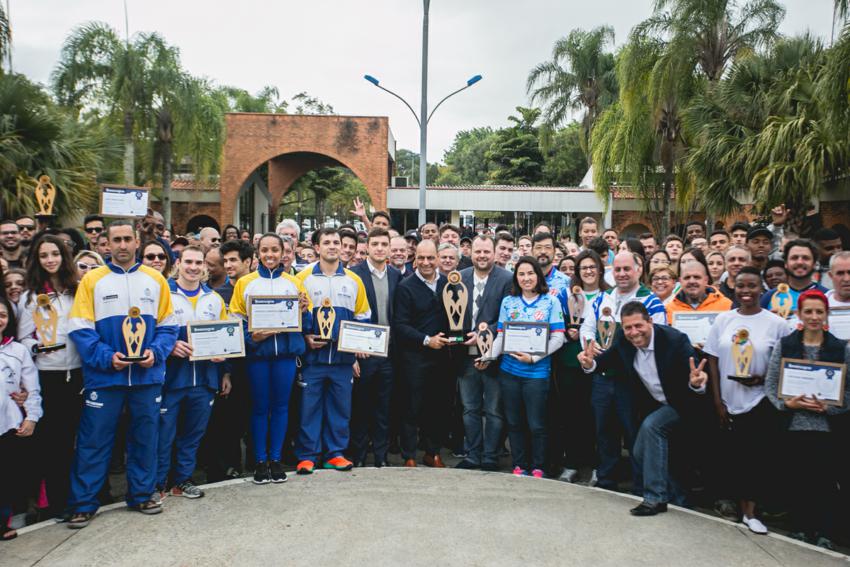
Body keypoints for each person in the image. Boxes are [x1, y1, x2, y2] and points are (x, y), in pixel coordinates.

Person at [66, 220, 178, 528]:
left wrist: (155, 353)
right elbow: (80, 328)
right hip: (105, 377)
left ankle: (142, 493)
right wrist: (106, 358)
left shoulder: (156, 280)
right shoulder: (93, 281)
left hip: (146, 377)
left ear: (137, 242)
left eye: (128, 239)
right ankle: (84, 503)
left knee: (145, 438)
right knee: (94, 441)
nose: (123, 245)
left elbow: (170, 326)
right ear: (107, 244)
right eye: (117, 239)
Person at [577, 301, 709, 516]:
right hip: (654, 405)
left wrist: (697, 383)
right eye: (628, 327)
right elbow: (602, 362)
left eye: (638, 325)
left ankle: (654, 499)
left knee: (651, 428)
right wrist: (588, 363)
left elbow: (697, 377)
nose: (633, 332)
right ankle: (680, 498)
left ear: (650, 322)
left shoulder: (674, 340)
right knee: (639, 452)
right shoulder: (624, 340)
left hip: (684, 404)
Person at [703, 267, 789, 534]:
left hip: (760, 399)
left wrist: (762, 379)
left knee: (755, 456)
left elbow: (785, 366)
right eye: (741, 286)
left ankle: (750, 513)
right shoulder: (723, 320)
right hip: (729, 399)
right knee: (733, 455)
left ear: (761, 289)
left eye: (752, 286)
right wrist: (717, 400)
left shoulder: (777, 324)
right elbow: (713, 361)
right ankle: (733, 504)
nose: (746, 291)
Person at [765, 290, 849, 549]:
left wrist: (831, 407)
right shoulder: (786, 344)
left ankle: (825, 531)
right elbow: (770, 383)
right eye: (808, 312)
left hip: (827, 429)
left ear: (827, 314)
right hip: (793, 426)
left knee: (824, 482)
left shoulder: (840, 347)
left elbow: (847, 391)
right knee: (796, 479)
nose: (814, 317)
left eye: (819, 312)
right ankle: (800, 528)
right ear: (799, 314)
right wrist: (785, 403)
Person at [580, 251, 667, 492]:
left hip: (633, 381)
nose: (621, 274)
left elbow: (657, 338)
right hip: (603, 378)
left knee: (634, 435)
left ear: (638, 269)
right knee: (604, 432)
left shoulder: (650, 300)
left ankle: (640, 486)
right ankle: (607, 481)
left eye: (626, 269)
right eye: (617, 270)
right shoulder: (602, 297)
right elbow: (587, 327)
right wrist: (590, 344)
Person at [230, 233, 311, 484]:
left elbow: (305, 324)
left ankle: (275, 459)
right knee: (259, 408)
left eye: (275, 250)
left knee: (280, 407)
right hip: (258, 357)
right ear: (257, 253)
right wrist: (253, 337)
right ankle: (260, 461)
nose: (270, 255)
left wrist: (305, 309)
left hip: (285, 356)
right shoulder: (246, 283)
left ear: (283, 252)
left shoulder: (294, 282)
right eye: (265, 250)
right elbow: (235, 321)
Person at [478, 257, 565, 478]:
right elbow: (501, 336)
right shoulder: (509, 302)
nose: (526, 278)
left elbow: (558, 338)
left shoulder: (551, 302)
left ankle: (538, 466)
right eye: (521, 274)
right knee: (514, 422)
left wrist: (534, 357)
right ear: (516, 277)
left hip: (537, 374)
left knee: (536, 424)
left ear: (538, 275)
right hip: (509, 373)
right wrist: (487, 356)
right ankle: (520, 464)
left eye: (530, 273)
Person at [156, 246, 230, 500]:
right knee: (164, 434)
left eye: (199, 263)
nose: (193, 267)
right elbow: (150, 332)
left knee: (193, 434)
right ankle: (158, 483)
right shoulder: (164, 293)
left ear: (205, 267)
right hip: (172, 379)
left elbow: (226, 336)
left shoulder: (214, 299)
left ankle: (182, 480)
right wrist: (170, 345)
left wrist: (225, 365)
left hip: (204, 379)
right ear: (178, 263)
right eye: (188, 261)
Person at [296, 228, 370, 474]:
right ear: (316, 247)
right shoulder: (302, 278)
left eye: (336, 242)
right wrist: (305, 336)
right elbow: (293, 316)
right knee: (309, 407)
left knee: (341, 408)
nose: (332, 246)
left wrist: (359, 343)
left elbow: (364, 316)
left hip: (342, 360)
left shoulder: (353, 280)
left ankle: (335, 453)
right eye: (326, 242)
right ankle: (308, 455)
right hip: (313, 359)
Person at [16, 235, 80, 521]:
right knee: (52, 443)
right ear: (37, 261)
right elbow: (21, 339)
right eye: (44, 256)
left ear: (64, 257)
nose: (50, 259)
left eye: (55, 254)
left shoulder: (77, 291)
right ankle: (55, 503)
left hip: (78, 374)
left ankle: (79, 496)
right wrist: (37, 348)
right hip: (47, 376)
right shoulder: (30, 297)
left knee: (75, 440)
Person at [453, 236, 512, 471]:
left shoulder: (507, 279)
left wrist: (484, 336)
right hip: (465, 355)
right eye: (478, 251)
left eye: (487, 251)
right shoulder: (460, 277)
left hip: (494, 355)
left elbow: (509, 317)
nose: (482, 255)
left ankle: (490, 456)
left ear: (495, 253)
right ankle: (472, 454)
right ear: (471, 253)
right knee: (470, 408)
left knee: (494, 410)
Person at [393, 239, 452, 468]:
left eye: (430, 257)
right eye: (421, 258)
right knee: (412, 407)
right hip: (414, 359)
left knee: (437, 407)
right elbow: (400, 325)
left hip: (442, 359)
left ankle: (432, 452)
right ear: (414, 258)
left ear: (437, 258)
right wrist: (427, 340)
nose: (426, 262)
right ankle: (409, 455)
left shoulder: (448, 284)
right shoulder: (405, 287)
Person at [348, 228, 402, 467]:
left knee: (384, 408)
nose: (380, 248)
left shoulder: (396, 275)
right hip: (364, 352)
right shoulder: (353, 275)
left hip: (389, 353)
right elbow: (348, 314)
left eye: (384, 244)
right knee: (361, 407)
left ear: (389, 248)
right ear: (367, 247)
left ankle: (380, 457)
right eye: (375, 244)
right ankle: (358, 455)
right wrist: (352, 354)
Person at [556, 249, 610, 483]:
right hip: (570, 361)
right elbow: (555, 323)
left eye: (592, 267)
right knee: (571, 413)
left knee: (599, 416)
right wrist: (568, 332)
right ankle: (572, 463)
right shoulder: (565, 294)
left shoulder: (610, 295)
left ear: (600, 269)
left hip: (601, 363)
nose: (588, 271)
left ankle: (599, 466)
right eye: (583, 267)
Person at [0, 295, 41, 541]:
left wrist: (32, 417)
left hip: (8, 425)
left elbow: (32, 389)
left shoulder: (17, 350)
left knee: (5, 476)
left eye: (3, 315)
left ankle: (3, 522)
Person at [761, 239, 827, 318]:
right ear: (785, 263)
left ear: (814, 264)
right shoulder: (770, 296)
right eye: (794, 258)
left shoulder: (827, 295)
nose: (799, 262)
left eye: (805, 258)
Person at [666, 260, 732, 330]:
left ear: (706, 280)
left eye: (697, 277)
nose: (692, 281)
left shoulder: (727, 305)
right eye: (687, 277)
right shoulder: (669, 309)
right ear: (680, 281)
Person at [218, 239, 254, 305]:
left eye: (233, 260)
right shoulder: (218, 295)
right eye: (225, 261)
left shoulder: (259, 290)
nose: (227, 265)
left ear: (247, 262)